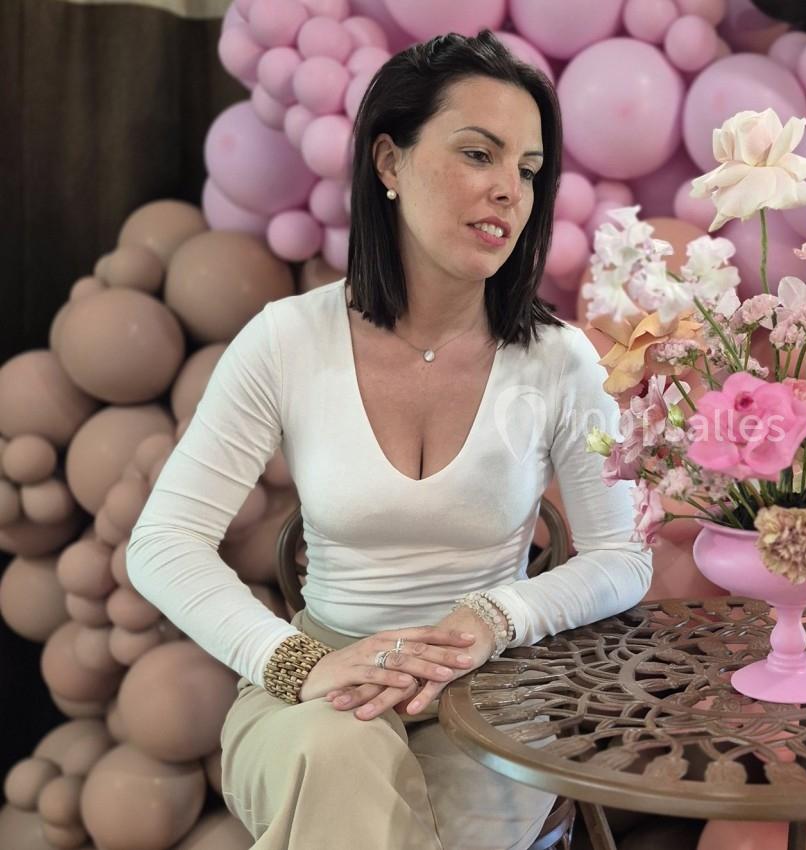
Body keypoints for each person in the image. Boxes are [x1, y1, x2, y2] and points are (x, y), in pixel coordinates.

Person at [126, 31, 652, 850]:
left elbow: (623, 556)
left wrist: (497, 615)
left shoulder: (558, 360)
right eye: (479, 153)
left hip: (491, 691)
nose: (509, 191)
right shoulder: (287, 340)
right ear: (388, 163)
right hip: (319, 687)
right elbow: (163, 543)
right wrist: (296, 664)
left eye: (527, 168)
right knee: (333, 752)